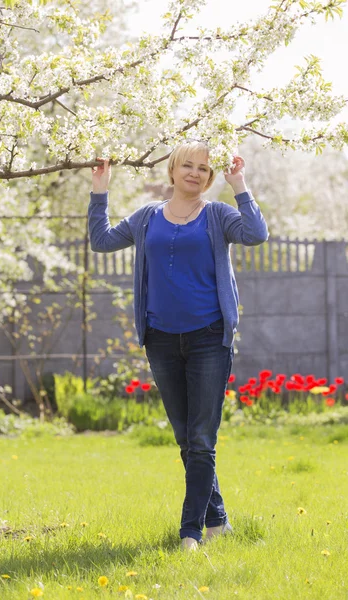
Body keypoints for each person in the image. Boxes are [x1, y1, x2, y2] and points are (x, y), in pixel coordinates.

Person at [88, 140, 269, 551]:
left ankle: (191, 533)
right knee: (186, 437)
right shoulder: (147, 217)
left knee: (202, 439)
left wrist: (239, 183)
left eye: (203, 169)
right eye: (187, 165)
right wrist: (100, 190)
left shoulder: (218, 215)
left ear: (210, 177)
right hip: (161, 339)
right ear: (172, 171)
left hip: (209, 337)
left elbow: (256, 234)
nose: (194, 173)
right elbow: (101, 241)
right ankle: (219, 521)